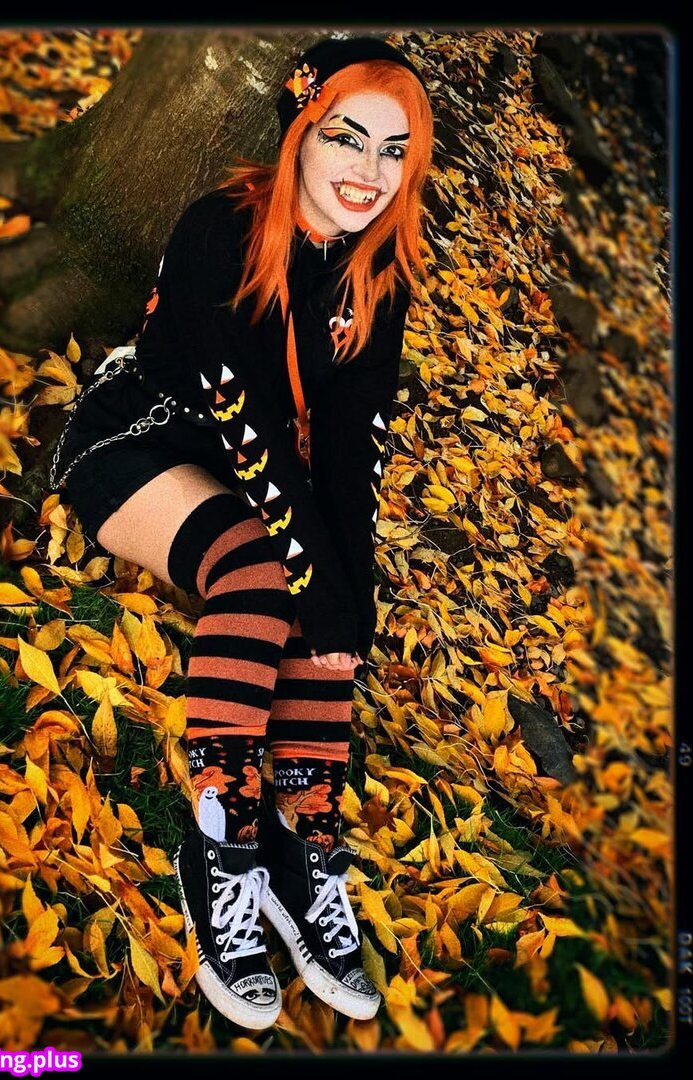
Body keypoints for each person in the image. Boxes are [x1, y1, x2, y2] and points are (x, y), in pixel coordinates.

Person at [48, 35, 433, 1031]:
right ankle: (222, 849)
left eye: (394, 149)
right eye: (346, 137)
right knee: (273, 574)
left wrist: (352, 603)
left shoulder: (378, 275)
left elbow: (350, 453)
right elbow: (253, 428)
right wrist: (326, 592)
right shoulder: (219, 231)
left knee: (326, 598)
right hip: (142, 442)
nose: (369, 170)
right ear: (301, 130)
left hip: (253, 467)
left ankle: (306, 847)